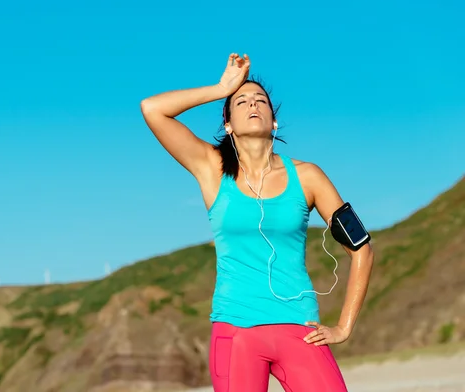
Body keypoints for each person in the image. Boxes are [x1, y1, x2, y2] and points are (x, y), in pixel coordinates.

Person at [140, 53, 374, 392]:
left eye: (260, 100)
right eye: (241, 101)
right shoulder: (212, 169)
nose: (252, 104)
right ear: (229, 124)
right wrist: (222, 87)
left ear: (274, 121)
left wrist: (344, 326)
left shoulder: (308, 176)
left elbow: (361, 248)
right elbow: (152, 109)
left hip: (300, 329)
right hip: (236, 332)